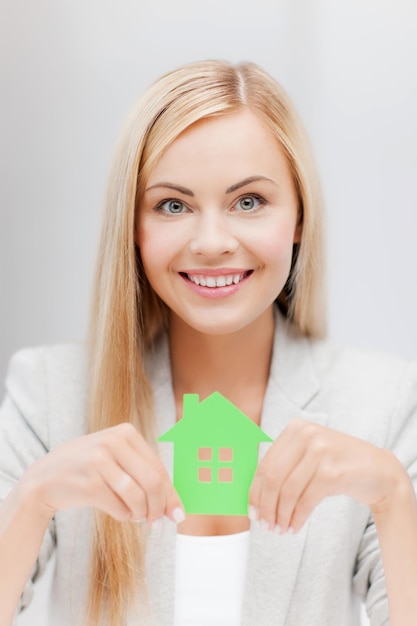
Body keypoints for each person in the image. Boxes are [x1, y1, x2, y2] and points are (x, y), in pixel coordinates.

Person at [0, 60, 416, 626]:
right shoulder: (47, 393)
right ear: (134, 227)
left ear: (299, 217)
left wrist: (393, 497)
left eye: (248, 202)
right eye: (173, 205)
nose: (212, 242)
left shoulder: (383, 400)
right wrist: (32, 499)